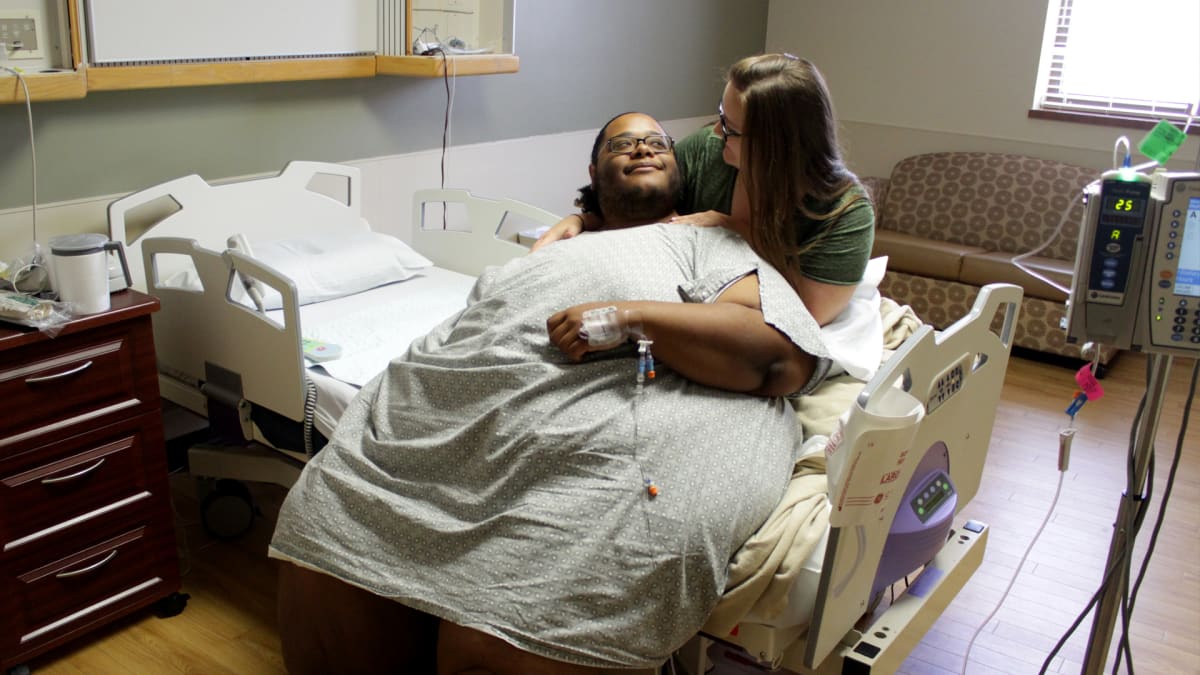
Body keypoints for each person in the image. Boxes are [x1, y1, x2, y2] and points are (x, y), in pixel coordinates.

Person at [269, 112, 833, 674]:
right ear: (593, 171)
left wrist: (626, 317)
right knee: (324, 534)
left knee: (498, 641)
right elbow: (482, 322)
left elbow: (775, 356)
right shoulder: (553, 248)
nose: (642, 149)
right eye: (622, 144)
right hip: (489, 405)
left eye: (657, 143)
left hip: (599, 419)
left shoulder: (708, 242)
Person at [534, 53, 874, 328]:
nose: (716, 131)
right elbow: (641, 206)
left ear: (776, 148)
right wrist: (583, 219)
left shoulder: (843, 213)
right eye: (721, 115)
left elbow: (803, 319)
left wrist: (733, 232)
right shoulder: (705, 152)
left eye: (731, 128)